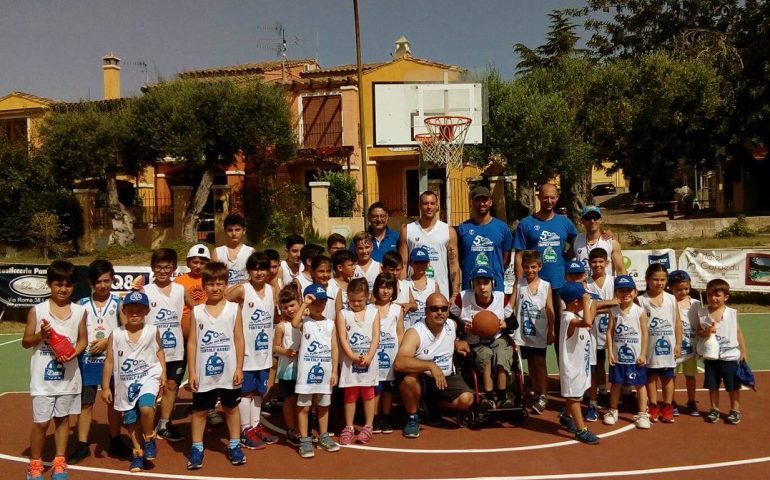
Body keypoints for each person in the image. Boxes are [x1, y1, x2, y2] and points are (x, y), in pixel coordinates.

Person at [23, 260, 87, 480]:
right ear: (49, 284)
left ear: (74, 286)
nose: (63, 289)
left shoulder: (79, 311)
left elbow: (83, 340)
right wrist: (41, 335)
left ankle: (60, 461)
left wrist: (75, 352)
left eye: (68, 285)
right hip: (43, 379)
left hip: (68, 378)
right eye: (58, 284)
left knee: (62, 420)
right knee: (41, 423)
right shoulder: (37, 311)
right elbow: (26, 341)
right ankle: (35, 463)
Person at [69, 260, 130, 464]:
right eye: (99, 281)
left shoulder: (118, 303)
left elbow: (128, 329)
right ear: (90, 282)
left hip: (111, 361)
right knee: (86, 403)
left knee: (113, 402)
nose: (103, 285)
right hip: (86, 361)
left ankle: (115, 440)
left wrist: (107, 341)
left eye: (107, 280)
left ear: (113, 280)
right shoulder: (81, 304)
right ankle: (82, 444)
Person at [186, 262, 246, 470]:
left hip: (229, 370)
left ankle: (235, 444)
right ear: (203, 285)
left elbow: (239, 338)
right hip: (203, 371)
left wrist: (239, 367)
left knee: (231, 408)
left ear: (226, 284)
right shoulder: (197, 311)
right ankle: (197, 448)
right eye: (210, 284)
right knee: (200, 411)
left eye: (220, 283)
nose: (215, 288)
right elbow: (192, 342)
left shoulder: (233, 308)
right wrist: (192, 371)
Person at [101, 291, 166, 473]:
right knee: (131, 421)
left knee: (146, 408)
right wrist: (105, 386)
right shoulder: (116, 334)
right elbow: (109, 361)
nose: (135, 313)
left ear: (146, 311)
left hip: (148, 377)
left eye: (139, 310)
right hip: (125, 383)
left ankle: (149, 437)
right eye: (131, 310)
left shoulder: (152, 331)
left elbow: (160, 351)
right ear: (124, 311)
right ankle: (137, 454)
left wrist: (163, 373)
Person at [394, 293, 474, 439]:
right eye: (434, 308)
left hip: (446, 377)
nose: (439, 312)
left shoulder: (452, 325)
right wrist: (430, 366)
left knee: (467, 398)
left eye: (443, 308)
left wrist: (457, 343)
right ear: (426, 311)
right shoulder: (415, 332)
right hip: (423, 378)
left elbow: (455, 338)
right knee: (409, 380)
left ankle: (434, 406)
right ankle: (413, 417)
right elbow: (399, 362)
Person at [513, 184, 578, 351]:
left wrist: (567, 256)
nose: (549, 201)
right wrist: (521, 281)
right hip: (534, 287)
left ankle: (562, 372)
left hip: (558, 285)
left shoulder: (565, 223)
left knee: (559, 331)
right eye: (545, 197)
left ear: (557, 198)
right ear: (539, 197)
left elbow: (579, 242)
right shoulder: (526, 224)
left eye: (552, 197)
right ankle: (536, 373)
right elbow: (519, 254)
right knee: (533, 331)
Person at [225, 252, 280, 450]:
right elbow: (221, 303)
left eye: (263, 268)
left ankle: (256, 426)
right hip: (246, 352)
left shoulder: (272, 289)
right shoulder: (241, 290)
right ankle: (244, 429)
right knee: (246, 392)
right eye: (255, 268)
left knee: (259, 392)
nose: (259, 272)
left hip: (263, 352)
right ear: (248, 270)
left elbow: (274, 316)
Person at [451, 265, 515, 411]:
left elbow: (514, 322)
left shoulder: (500, 297)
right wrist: (462, 329)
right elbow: (451, 320)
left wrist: (505, 324)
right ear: (473, 284)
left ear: (493, 283)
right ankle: (489, 396)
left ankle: (503, 395)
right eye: (478, 283)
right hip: (475, 341)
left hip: (496, 338)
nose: (482, 287)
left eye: (486, 282)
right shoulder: (463, 297)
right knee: (485, 356)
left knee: (502, 354)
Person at [174, 245, 224, 427]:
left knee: (206, 371)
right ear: (188, 263)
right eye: (195, 261)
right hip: (183, 333)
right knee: (178, 373)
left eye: (203, 262)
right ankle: (168, 407)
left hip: (207, 334)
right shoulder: (179, 281)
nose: (199, 265)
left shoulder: (213, 281)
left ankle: (208, 407)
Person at [144, 248, 187, 443]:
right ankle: (146, 426)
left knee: (171, 386)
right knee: (151, 388)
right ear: (153, 268)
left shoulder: (180, 289)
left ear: (174, 268)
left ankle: (164, 424)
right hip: (151, 351)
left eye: (167, 267)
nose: (163, 271)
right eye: (159, 267)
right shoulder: (145, 291)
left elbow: (199, 307)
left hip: (176, 349)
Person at [292, 284, 341, 458]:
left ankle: (323, 436)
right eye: (316, 301)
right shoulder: (304, 322)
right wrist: (304, 304)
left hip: (326, 374)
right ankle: (305, 439)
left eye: (322, 301)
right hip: (306, 374)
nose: (319, 305)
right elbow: (294, 322)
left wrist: (334, 371)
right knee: (304, 407)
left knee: (323, 406)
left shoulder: (330, 324)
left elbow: (335, 348)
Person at [693, 279, 747, 424]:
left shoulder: (731, 313)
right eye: (710, 295)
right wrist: (706, 331)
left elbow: (738, 331)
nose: (713, 298)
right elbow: (699, 332)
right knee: (712, 385)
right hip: (711, 356)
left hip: (729, 356)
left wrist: (743, 351)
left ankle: (735, 410)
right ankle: (714, 409)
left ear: (726, 297)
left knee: (733, 386)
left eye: (717, 295)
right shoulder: (702, 312)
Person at [603, 275, 651, 429]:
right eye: (621, 291)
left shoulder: (640, 311)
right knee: (616, 384)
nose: (625, 294)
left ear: (635, 292)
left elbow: (644, 333)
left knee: (640, 384)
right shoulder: (613, 311)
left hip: (635, 357)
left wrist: (643, 353)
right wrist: (610, 352)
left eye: (628, 290)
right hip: (618, 356)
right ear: (616, 293)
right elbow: (609, 332)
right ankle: (612, 410)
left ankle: (643, 413)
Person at [337, 278, 381, 445]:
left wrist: (369, 356)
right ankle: (348, 426)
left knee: (368, 393)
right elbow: (342, 337)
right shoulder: (343, 314)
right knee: (350, 394)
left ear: (367, 297)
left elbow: (376, 335)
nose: (356, 304)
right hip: (351, 362)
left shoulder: (374, 312)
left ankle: (368, 426)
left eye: (360, 300)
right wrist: (352, 356)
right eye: (352, 300)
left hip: (369, 360)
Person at [511, 250, 554, 415]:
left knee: (540, 363)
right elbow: (512, 304)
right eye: (527, 267)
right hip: (523, 332)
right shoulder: (519, 284)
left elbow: (550, 309)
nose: (530, 270)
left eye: (533, 267)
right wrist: (503, 318)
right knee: (530, 362)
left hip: (540, 331)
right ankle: (536, 391)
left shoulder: (545, 286)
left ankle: (543, 394)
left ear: (540, 266)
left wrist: (551, 330)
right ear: (522, 267)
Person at [637, 264, 681, 423]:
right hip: (649, 347)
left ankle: (667, 406)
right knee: (651, 377)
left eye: (663, 279)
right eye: (655, 279)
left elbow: (677, 323)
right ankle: (653, 405)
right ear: (647, 279)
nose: (659, 283)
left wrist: (678, 343)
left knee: (668, 378)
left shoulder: (671, 298)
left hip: (668, 347)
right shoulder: (641, 300)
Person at [557, 281, 599, 444]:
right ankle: (582, 430)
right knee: (575, 397)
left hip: (580, 366)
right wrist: (588, 303)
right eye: (583, 300)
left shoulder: (575, 315)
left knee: (576, 394)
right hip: (572, 368)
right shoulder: (568, 318)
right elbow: (588, 323)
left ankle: (566, 416)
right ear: (576, 302)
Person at [399, 190, 461, 300]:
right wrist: (401, 292)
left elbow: (453, 264)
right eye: (425, 203)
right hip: (413, 293)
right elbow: (403, 264)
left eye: (432, 203)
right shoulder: (407, 230)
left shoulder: (448, 231)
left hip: (441, 293)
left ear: (437, 205)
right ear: (420, 206)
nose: (429, 207)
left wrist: (455, 293)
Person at [456, 185, 514, 292]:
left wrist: (496, 271)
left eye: (485, 200)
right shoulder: (463, 228)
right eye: (478, 200)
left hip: (495, 285)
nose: (482, 203)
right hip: (470, 285)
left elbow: (506, 257)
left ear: (490, 202)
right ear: (472, 203)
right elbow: (459, 258)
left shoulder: (502, 227)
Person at [585, 248, 618, 419]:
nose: (597, 265)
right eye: (594, 262)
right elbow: (588, 308)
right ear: (589, 263)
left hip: (613, 329)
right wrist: (606, 305)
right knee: (596, 362)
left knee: (615, 361)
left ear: (607, 263)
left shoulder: (613, 281)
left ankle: (621, 392)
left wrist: (596, 306)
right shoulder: (585, 282)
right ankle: (599, 392)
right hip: (593, 330)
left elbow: (619, 302)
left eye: (600, 262)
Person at [371, 272, 405, 434]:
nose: (385, 291)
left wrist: (401, 355)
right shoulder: (369, 309)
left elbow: (400, 332)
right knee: (376, 388)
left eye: (389, 287)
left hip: (391, 354)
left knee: (388, 388)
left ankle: (385, 417)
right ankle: (374, 417)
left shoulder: (397, 309)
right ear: (376, 289)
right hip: (374, 355)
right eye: (382, 287)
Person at [272, 286, 303, 446]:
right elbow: (275, 347)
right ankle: (291, 428)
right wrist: (286, 351)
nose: (289, 309)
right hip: (288, 370)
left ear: (299, 303)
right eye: (285, 307)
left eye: (292, 305)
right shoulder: (282, 326)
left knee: (302, 400)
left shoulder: (306, 321)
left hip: (305, 369)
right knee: (290, 400)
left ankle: (303, 426)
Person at [668, 270, 700, 416]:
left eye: (686, 288)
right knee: (671, 376)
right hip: (674, 348)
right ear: (671, 288)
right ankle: (671, 401)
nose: (683, 292)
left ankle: (692, 401)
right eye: (678, 289)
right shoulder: (668, 302)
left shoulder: (696, 304)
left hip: (691, 348)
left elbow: (700, 325)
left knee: (691, 376)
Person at [572, 206, 625, 276]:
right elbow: (566, 260)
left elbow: (620, 270)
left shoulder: (611, 242)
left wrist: (624, 286)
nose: (592, 221)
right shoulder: (576, 240)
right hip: (583, 286)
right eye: (588, 218)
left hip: (605, 286)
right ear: (582, 221)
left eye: (596, 217)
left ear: (600, 220)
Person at [211, 213, 255, 286]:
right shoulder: (217, 253)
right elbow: (212, 278)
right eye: (230, 230)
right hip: (224, 295)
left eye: (237, 230)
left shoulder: (250, 252)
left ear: (244, 231)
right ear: (225, 231)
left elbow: (254, 277)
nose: (234, 233)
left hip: (245, 294)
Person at [404, 247, 439, 327]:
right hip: (409, 328)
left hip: (428, 328)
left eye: (423, 262)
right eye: (417, 262)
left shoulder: (433, 285)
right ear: (410, 263)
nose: (420, 265)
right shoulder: (404, 284)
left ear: (428, 263)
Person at [332, 249, 357, 313]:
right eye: (351, 265)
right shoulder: (331, 285)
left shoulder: (354, 283)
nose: (354, 267)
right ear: (340, 267)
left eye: (354, 264)